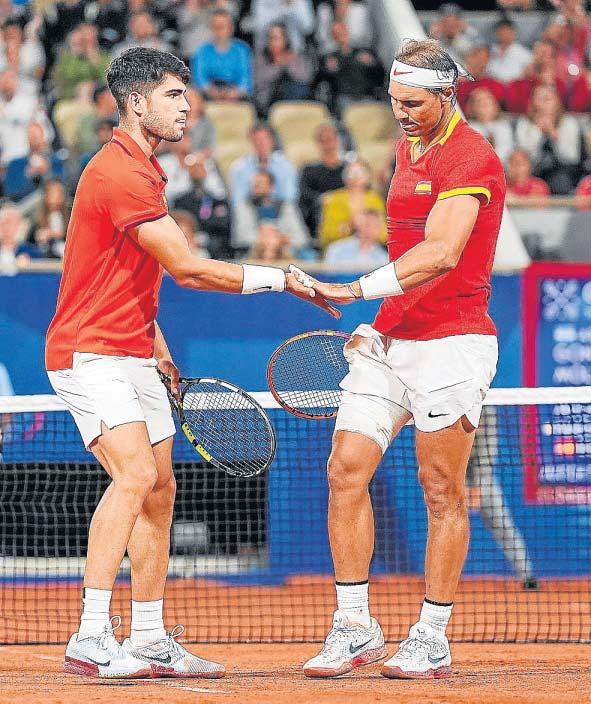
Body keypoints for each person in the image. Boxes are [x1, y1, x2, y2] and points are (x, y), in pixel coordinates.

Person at [44, 46, 318, 681]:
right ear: (137, 102)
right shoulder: (118, 171)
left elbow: (121, 272)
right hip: (88, 352)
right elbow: (188, 269)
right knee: (135, 475)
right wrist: (280, 278)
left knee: (160, 489)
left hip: (134, 348)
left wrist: (155, 337)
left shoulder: (146, 170)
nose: (186, 107)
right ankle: (90, 634)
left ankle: (148, 637)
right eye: (173, 96)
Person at [292, 38, 506, 680]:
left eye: (413, 103)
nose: (401, 113)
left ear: (446, 95)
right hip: (391, 338)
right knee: (344, 471)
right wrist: (379, 317)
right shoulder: (408, 148)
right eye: (394, 101)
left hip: (452, 343)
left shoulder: (471, 156)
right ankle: (355, 627)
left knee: (441, 490)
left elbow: (441, 253)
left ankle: (432, 634)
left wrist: (354, 290)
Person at [318, 158, 386, 248]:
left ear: (368, 176)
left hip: (371, 248)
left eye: (359, 172)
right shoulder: (335, 199)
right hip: (341, 249)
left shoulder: (375, 199)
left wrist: (370, 231)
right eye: (351, 173)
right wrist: (350, 225)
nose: (355, 177)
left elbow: (384, 233)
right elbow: (327, 234)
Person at [191, 9, 252, 102]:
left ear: (231, 28)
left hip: (237, 97)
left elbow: (246, 79)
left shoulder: (242, 50)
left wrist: (234, 93)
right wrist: (212, 91)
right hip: (208, 97)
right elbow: (199, 78)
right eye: (215, 27)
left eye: (222, 27)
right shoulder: (202, 51)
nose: (218, 31)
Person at [298, 122, 346, 237]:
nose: (327, 145)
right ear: (318, 143)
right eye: (323, 141)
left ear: (337, 141)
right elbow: (304, 193)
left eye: (330, 139)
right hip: (320, 210)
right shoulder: (309, 170)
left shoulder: (347, 169)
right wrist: (321, 198)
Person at [324, 208, 388, 269]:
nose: (370, 229)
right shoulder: (337, 249)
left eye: (376, 225)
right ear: (358, 225)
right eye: (367, 224)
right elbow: (328, 274)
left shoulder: (383, 257)